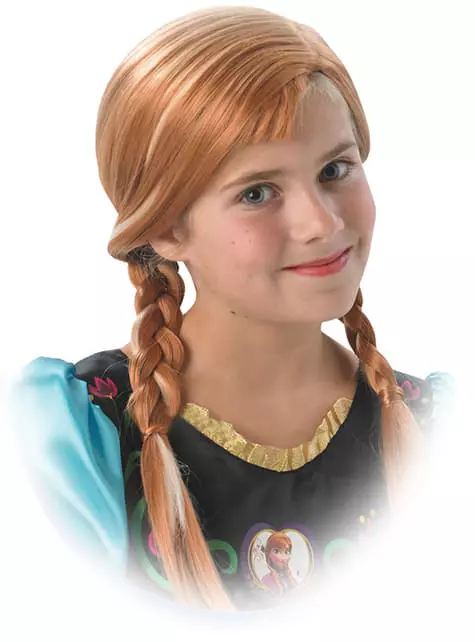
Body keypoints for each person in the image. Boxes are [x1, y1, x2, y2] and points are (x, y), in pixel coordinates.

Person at [8, 5, 455, 614]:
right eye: (256, 192)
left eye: (335, 169)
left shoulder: (442, 432)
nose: (321, 222)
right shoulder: (70, 442)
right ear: (167, 228)